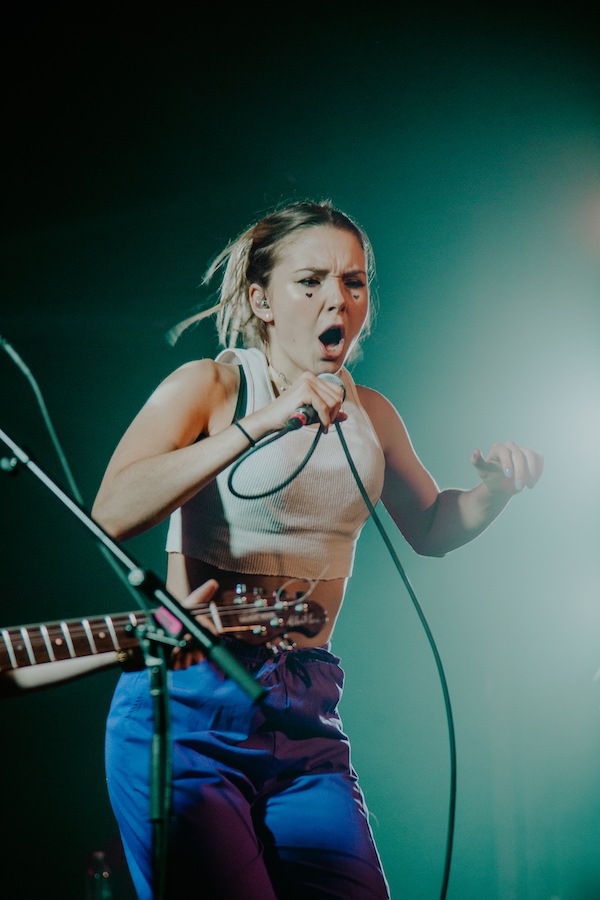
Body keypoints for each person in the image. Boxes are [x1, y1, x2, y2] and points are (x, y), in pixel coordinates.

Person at [90, 199, 543, 900]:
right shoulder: (211, 386)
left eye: (353, 282)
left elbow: (431, 527)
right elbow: (111, 512)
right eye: (310, 282)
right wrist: (263, 422)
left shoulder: (372, 413)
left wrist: (495, 492)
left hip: (305, 709)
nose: (338, 299)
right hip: (192, 703)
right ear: (261, 300)